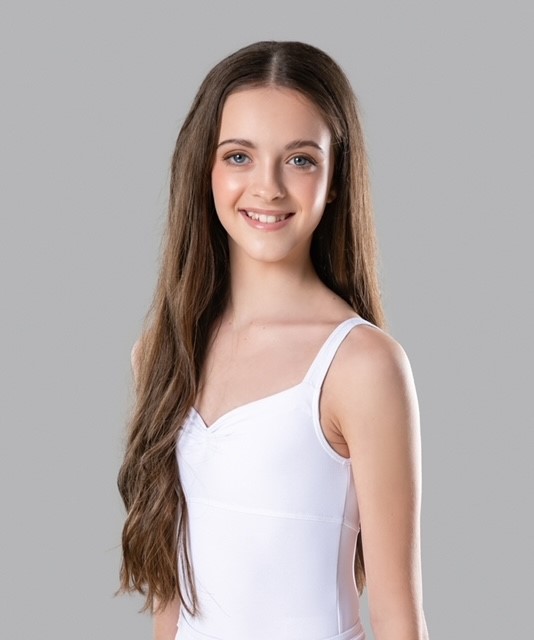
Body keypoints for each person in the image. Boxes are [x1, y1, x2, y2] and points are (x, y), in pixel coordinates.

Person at [117, 40, 429, 640]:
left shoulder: (361, 366)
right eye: (239, 156)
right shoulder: (163, 352)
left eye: (300, 160)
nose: (268, 188)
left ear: (335, 180)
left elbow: (398, 618)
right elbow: (170, 601)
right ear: (205, 171)